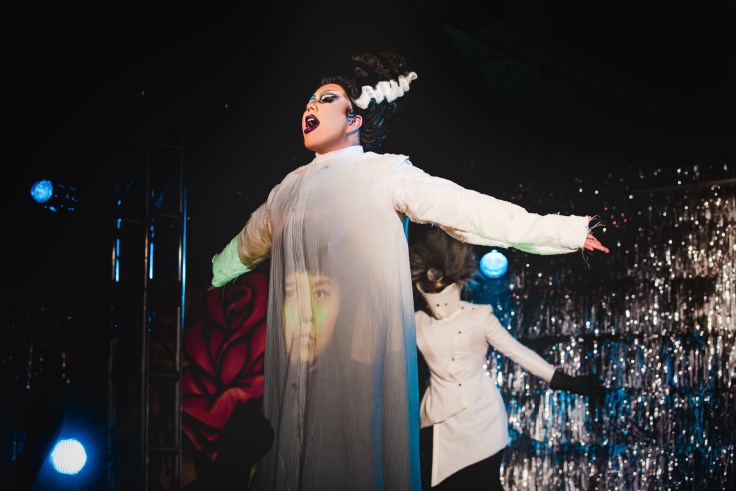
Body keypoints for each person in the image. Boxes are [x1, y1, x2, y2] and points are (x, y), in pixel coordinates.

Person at [209, 51, 609, 490]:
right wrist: (212, 276)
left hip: (361, 371)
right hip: (300, 364)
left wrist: (563, 231)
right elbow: (245, 246)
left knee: (352, 459)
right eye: (309, 101)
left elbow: (468, 210)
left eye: (326, 99)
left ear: (355, 118)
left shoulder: (383, 174)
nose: (311, 106)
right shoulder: (284, 192)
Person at [410, 227, 606, 490]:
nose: (436, 291)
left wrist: (565, 381)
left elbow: (517, 352)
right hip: (438, 420)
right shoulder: (417, 322)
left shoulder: (479, 316)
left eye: (441, 285)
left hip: (481, 419)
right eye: (429, 286)